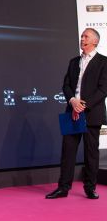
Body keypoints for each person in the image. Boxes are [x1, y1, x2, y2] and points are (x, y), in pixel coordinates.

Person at [46, 28, 107, 200]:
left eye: (86, 36)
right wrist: (73, 101)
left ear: (95, 41)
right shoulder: (74, 62)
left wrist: (82, 106)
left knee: (91, 153)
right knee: (68, 151)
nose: (82, 38)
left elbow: (103, 90)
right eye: (81, 36)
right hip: (71, 111)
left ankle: (90, 188)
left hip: (91, 113)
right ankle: (63, 188)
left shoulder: (104, 62)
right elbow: (66, 85)